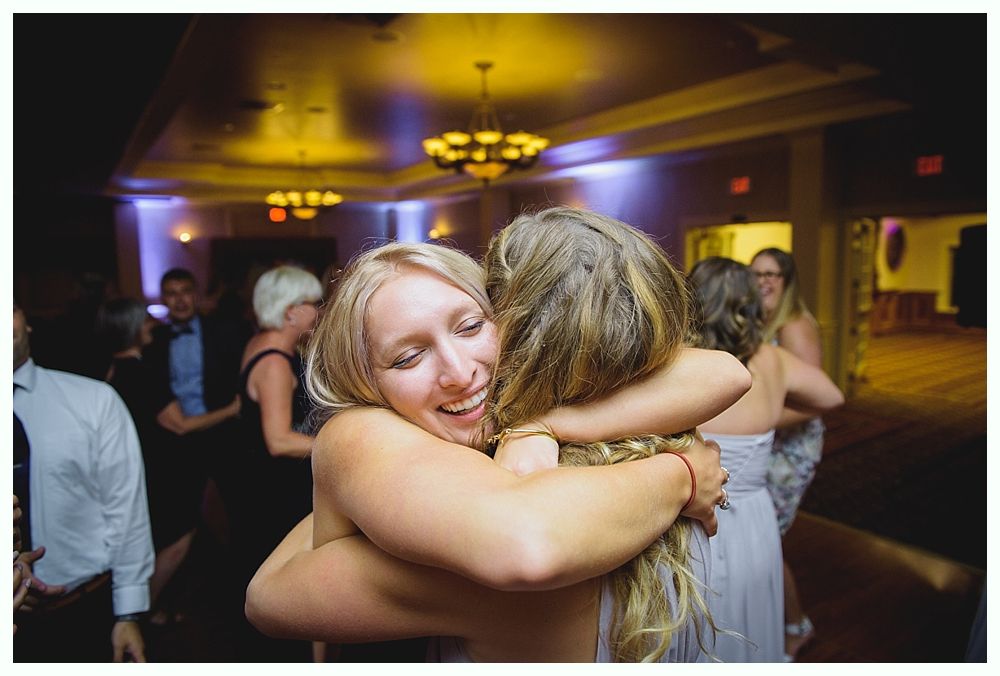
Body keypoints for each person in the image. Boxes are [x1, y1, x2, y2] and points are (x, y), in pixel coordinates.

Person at [247, 210, 752, 661]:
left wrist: (546, 425)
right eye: (407, 357)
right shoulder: (639, 440)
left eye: (470, 327)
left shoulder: (541, 493)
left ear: (514, 323)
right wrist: (682, 473)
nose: (458, 371)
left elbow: (725, 372)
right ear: (364, 388)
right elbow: (269, 598)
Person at [688, 256, 844, 662]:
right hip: (753, 517)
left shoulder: (681, 365)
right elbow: (832, 396)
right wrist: (771, 415)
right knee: (750, 613)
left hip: (694, 517)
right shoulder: (771, 361)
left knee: (701, 618)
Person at [13, 303, 154, 662]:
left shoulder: (93, 401)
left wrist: (128, 612)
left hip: (82, 606)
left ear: (26, 321)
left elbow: (126, 509)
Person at [95, 298, 240, 625]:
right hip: (164, 467)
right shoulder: (143, 372)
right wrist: (231, 410)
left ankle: (145, 610)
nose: (151, 323)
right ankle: (138, 614)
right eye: (145, 319)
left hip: (142, 463)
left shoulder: (112, 369)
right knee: (177, 538)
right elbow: (182, 424)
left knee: (159, 536)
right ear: (132, 328)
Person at [231, 265, 322, 661]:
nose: (318, 311)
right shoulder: (273, 363)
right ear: (290, 311)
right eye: (312, 303)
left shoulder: (262, 343)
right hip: (273, 490)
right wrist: (334, 446)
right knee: (289, 578)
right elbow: (278, 440)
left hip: (255, 483)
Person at [750, 246, 828, 658]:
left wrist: (759, 418)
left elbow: (816, 401)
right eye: (758, 272)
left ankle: (797, 626)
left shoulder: (795, 326)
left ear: (786, 281)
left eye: (773, 274)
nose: (763, 280)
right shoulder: (758, 321)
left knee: (768, 540)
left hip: (792, 445)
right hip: (768, 439)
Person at [143, 268, 247, 548]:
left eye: (186, 292)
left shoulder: (224, 331)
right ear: (163, 298)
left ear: (196, 294)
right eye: (172, 294)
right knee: (182, 516)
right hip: (177, 438)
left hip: (223, 432)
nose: (180, 300)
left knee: (235, 506)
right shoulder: (154, 341)